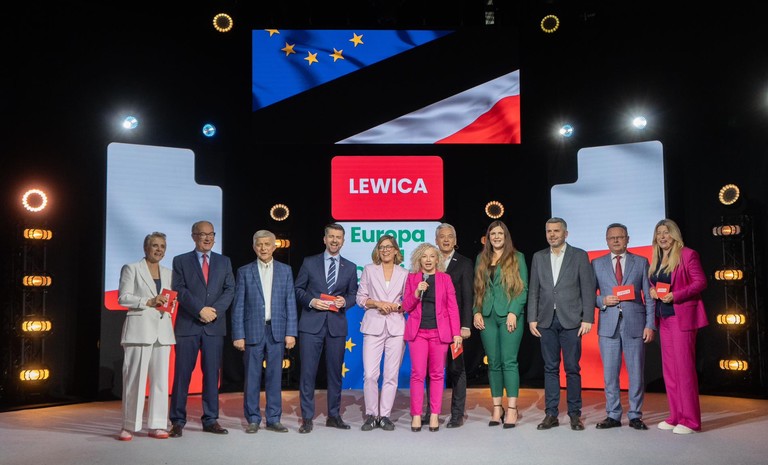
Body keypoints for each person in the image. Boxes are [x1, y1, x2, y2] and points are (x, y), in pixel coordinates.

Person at [527, 217, 596, 431]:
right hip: (546, 320)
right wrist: (532, 318)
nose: (552, 235)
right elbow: (534, 289)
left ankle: (575, 414)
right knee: (550, 368)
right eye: (549, 231)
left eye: (556, 231)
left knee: (572, 368)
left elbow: (587, 288)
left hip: (572, 320)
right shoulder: (538, 257)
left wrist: (588, 318)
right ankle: (551, 414)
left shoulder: (579, 255)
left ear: (566, 233)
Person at [169, 221, 235, 437]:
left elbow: (230, 290)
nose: (207, 238)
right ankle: (177, 421)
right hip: (188, 326)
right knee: (182, 375)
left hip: (214, 326)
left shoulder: (224, 262)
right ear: (193, 236)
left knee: (211, 375)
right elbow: (179, 289)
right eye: (202, 234)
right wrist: (200, 310)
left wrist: (213, 311)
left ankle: (211, 419)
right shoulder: (180, 261)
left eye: (211, 234)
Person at [295, 223, 359, 434]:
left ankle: (333, 416)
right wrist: (312, 301)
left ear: (343, 241)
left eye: (338, 237)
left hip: (336, 326)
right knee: (308, 373)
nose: (334, 240)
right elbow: (298, 289)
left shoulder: (350, 267)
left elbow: (354, 295)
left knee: (335, 374)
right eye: (331, 236)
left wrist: (345, 301)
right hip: (311, 325)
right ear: (324, 239)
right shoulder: (309, 262)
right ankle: (307, 418)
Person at [231, 230, 297, 434]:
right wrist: (238, 334)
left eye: (267, 244)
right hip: (252, 331)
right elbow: (238, 305)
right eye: (259, 244)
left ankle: (274, 418)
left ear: (274, 246)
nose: (263, 248)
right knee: (252, 377)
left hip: (277, 331)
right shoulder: (244, 271)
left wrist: (291, 332)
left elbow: (290, 302)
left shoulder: (285, 270)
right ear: (254, 247)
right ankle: (253, 418)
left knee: (275, 377)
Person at [592, 223, 655, 431]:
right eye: (612, 238)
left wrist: (650, 325)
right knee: (610, 374)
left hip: (635, 325)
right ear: (606, 240)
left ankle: (635, 415)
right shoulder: (596, 263)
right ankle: (613, 414)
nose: (616, 240)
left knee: (636, 373)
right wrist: (602, 300)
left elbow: (649, 297)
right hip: (608, 326)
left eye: (620, 237)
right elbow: (589, 295)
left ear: (628, 239)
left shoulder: (641, 262)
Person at [648, 219, 708, 434]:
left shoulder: (688, 254)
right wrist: (653, 290)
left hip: (682, 318)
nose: (662, 237)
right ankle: (675, 416)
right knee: (670, 372)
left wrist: (676, 295)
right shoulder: (657, 257)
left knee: (684, 370)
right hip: (664, 319)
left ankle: (691, 420)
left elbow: (700, 282)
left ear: (674, 235)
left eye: (666, 232)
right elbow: (656, 283)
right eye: (659, 233)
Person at [116, 232, 176, 441]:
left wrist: (171, 304)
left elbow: (169, 299)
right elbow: (123, 298)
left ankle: (158, 424)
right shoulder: (131, 268)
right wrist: (148, 302)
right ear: (146, 248)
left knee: (160, 382)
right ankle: (128, 425)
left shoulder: (168, 273)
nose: (159, 250)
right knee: (134, 380)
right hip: (139, 331)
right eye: (155, 245)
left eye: (162, 246)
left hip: (163, 332)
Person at [472, 220, 528, 429]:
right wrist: (476, 312)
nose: (496, 237)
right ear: (488, 237)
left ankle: (512, 408)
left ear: (506, 236)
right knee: (494, 363)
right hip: (487, 316)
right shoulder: (481, 258)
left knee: (509, 362)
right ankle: (497, 408)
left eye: (500, 234)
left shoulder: (517, 257)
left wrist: (514, 311)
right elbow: (478, 288)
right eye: (493, 234)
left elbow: (523, 288)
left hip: (509, 316)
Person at [402, 242, 462, 433]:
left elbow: (452, 307)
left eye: (432, 256)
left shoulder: (445, 278)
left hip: (439, 333)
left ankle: (435, 414)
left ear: (437, 259)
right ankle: (417, 414)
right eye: (424, 256)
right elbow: (406, 306)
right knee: (417, 374)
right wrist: (416, 292)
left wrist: (456, 333)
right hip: (418, 333)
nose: (428, 260)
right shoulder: (412, 278)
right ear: (419, 260)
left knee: (437, 374)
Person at [422, 223, 475, 428]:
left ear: (455, 240)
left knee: (456, 369)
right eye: (442, 236)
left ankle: (457, 414)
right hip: (432, 327)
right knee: (431, 370)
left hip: (454, 329)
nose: (445, 240)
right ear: (436, 240)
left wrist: (465, 326)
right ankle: (431, 412)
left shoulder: (464, 263)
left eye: (449, 236)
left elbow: (467, 297)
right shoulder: (429, 262)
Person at [355, 234, 408, 431]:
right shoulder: (369, 270)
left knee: (391, 375)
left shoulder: (404, 273)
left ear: (396, 251)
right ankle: (372, 414)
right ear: (378, 251)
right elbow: (361, 298)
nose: (385, 250)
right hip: (373, 325)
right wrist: (378, 303)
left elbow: (408, 302)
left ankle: (384, 415)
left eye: (389, 247)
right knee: (370, 374)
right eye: (381, 247)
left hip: (396, 328)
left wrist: (395, 306)